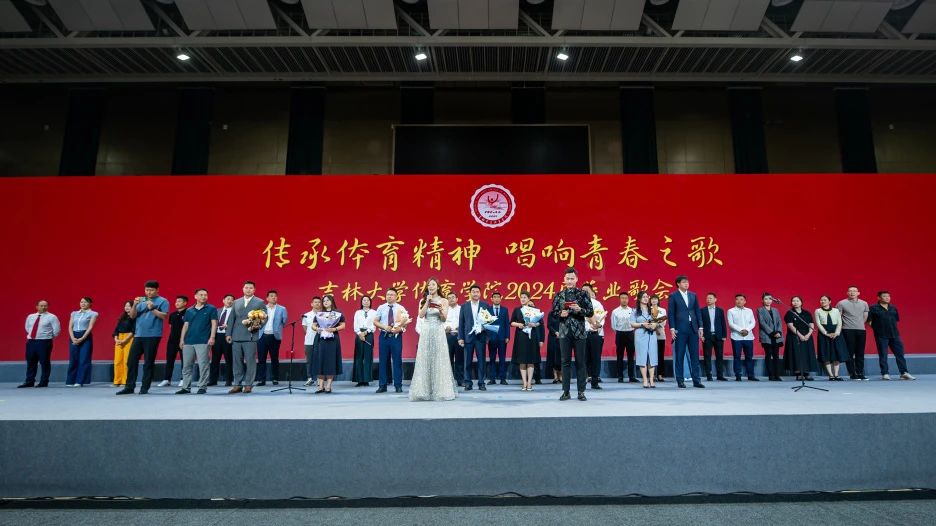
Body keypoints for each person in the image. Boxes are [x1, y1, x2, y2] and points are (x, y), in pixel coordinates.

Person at [117, 281, 170, 395]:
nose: (149, 292)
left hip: (153, 335)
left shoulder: (163, 301)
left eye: (151, 290)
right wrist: (135, 305)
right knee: (131, 361)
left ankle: (145, 387)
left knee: (148, 362)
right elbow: (132, 316)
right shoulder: (141, 300)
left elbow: (164, 316)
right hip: (138, 335)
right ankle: (129, 387)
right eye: (147, 290)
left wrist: (152, 308)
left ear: (157, 290)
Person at [410, 278, 458, 401]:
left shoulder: (444, 300)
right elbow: (421, 315)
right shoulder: (423, 300)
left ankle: (441, 390)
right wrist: (427, 301)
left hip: (438, 331)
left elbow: (443, 319)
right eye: (429, 285)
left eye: (433, 284)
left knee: (439, 359)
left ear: (438, 287)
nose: (431, 286)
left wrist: (441, 311)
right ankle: (424, 391)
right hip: (426, 331)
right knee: (425, 358)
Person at [551, 267, 593, 401]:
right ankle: (566, 392)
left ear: (576, 279)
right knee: (565, 362)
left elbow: (590, 312)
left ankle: (581, 392)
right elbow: (554, 313)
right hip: (564, 332)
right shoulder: (559, 295)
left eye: (572, 279)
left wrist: (579, 309)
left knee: (581, 362)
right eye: (567, 278)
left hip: (580, 332)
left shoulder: (583, 294)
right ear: (564, 279)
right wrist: (560, 313)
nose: (570, 281)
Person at [226, 281, 266, 394]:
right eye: (246, 287)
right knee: (237, 362)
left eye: (250, 288)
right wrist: (228, 334)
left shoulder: (259, 302)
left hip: (250, 335)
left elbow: (264, 317)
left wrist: (257, 325)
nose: (248, 290)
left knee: (250, 361)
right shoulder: (236, 302)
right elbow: (231, 319)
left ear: (254, 290)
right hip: (236, 335)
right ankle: (237, 384)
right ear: (243, 289)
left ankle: (248, 384)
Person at [177, 288, 218, 394]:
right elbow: (186, 325)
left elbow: (214, 323)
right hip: (188, 341)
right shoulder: (189, 310)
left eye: (205, 295)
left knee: (203, 365)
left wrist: (212, 337)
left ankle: (202, 386)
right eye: (201, 295)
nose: (203, 297)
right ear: (195, 296)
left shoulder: (211, 308)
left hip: (203, 341)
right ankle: (186, 387)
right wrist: (182, 339)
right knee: (186, 365)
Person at [868, 291, 915, 381]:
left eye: (888, 296)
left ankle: (904, 373)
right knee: (883, 355)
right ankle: (885, 373)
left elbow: (895, 320)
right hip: (881, 335)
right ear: (879, 298)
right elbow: (869, 321)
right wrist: (878, 329)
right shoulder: (873, 308)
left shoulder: (893, 308)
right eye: (884, 296)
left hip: (895, 335)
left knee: (900, 354)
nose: (887, 298)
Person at [667, 276, 704, 389]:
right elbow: (671, 313)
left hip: (693, 328)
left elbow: (697, 311)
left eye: (687, 282)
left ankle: (696, 380)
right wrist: (672, 328)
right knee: (680, 355)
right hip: (680, 329)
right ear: (678, 284)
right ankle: (680, 380)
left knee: (695, 355)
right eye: (684, 282)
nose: (686, 284)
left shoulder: (693, 295)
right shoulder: (673, 296)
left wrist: (700, 327)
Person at [374, 288, 410, 393]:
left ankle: (398, 385)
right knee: (383, 361)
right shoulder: (381, 307)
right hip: (384, 336)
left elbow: (405, 323)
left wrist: (400, 329)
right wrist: (384, 327)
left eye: (392, 294)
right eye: (388, 294)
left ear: (396, 296)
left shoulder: (401, 308)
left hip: (396, 337)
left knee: (397, 361)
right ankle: (382, 385)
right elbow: (375, 321)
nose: (389, 296)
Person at [19, 300, 61, 388]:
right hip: (31, 342)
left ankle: (44, 382)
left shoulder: (52, 317)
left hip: (44, 342)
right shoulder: (30, 316)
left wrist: (48, 337)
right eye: (41, 306)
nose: (43, 307)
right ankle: (29, 381)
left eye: (45, 306)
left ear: (48, 307)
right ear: (37, 306)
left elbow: (56, 330)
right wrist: (33, 336)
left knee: (44, 362)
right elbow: (27, 328)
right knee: (31, 362)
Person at [458, 284, 491, 391]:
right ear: (470, 293)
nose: (475, 294)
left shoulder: (485, 305)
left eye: (477, 292)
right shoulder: (464, 306)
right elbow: (461, 323)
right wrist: (460, 337)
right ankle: (468, 382)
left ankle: (481, 383)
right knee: (467, 361)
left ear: (480, 293)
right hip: (468, 337)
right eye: (473, 292)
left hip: (481, 337)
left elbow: (489, 321)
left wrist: (484, 330)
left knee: (481, 361)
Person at [311, 294, 346, 393]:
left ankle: (329, 385)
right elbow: (313, 325)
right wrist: (317, 329)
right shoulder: (319, 314)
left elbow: (343, 325)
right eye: (324, 301)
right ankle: (320, 386)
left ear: (332, 301)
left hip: (332, 339)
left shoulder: (338, 313)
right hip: (321, 339)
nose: (325, 302)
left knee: (331, 361)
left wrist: (334, 329)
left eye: (327, 300)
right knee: (320, 360)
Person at [510, 291, 542, 391]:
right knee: (522, 360)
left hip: (532, 336)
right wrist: (518, 324)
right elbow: (511, 322)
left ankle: (529, 383)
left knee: (531, 361)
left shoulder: (534, 309)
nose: (523, 299)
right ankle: (524, 382)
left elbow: (540, 322)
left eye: (525, 297)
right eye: (521, 297)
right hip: (521, 336)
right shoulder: (517, 310)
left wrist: (534, 324)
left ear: (529, 299)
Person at [837, 286, 870, 381]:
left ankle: (860, 373)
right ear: (847, 293)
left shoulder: (864, 303)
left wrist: (859, 324)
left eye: (854, 291)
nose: (852, 293)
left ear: (858, 293)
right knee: (850, 352)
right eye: (850, 291)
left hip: (861, 330)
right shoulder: (841, 303)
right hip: (847, 330)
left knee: (860, 352)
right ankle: (852, 373)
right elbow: (838, 317)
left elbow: (865, 317)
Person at [256, 290, 287, 386]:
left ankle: (275, 378)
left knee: (274, 358)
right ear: (267, 298)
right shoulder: (262, 309)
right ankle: (261, 379)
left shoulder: (282, 309)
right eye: (271, 296)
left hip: (274, 336)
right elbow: (257, 322)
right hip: (262, 335)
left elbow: (284, 321)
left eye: (275, 296)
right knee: (261, 358)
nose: (274, 297)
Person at [66, 297, 98, 387]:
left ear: (90, 304)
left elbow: (90, 327)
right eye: (81, 302)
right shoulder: (74, 313)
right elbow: (70, 327)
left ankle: (80, 381)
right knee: (73, 359)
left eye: (85, 302)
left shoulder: (93, 313)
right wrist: (72, 338)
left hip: (85, 335)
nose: (83, 304)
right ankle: (70, 380)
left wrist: (83, 338)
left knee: (84, 359)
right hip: (74, 335)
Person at [784, 296, 818, 381]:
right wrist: (800, 336)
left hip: (806, 336)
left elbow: (811, 324)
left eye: (797, 301)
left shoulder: (807, 313)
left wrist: (808, 334)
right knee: (797, 354)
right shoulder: (789, 313)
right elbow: (790, 326)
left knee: (806, 354)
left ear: (801, 302)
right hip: (794, 336)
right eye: (793, 301)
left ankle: (806, 373)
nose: (795, 302)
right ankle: (799, 373)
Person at [815, 295, 848, 381]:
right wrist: (826, 333)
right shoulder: (817, 311)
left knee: (836, 354)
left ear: (830, 301)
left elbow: (839, 322)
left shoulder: (836, 310)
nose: (822, 301)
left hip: (836, 335)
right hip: (824, 335)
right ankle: (831, 375)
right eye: (821, 300)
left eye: (825, 300)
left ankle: (836, 375)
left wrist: (836, 333)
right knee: (826, 354)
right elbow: (818, 324)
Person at [630, 291, 659, 388]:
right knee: (642, 357)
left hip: (651, 334)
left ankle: (651, 379)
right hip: (640, 335)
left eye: (647, 297)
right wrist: (643, 324)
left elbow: (657, 321)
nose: (646, 298)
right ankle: (645, 380)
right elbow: (632, 324)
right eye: (643, 297)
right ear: (639, 299)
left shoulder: (653, 309)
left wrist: (655, 325)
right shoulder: (635, 311)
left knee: (652, 356)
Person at [158, 296, 188, 387]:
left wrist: (183, 339)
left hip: (184, 340)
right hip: (172, 340)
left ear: (185, 303)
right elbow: (171, 326)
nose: (177, 303)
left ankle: (183, 379)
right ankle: (167, 379)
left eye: (179, 301)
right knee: (170, 360)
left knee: (185, 360)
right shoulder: (172, 314)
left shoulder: (188, 313)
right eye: (176, 301)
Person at [727, 294, 758, 382]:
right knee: (737, 357)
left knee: (749, 357)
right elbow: (731, 323)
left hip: (748, 337)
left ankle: (751, 375)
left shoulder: (749, 310)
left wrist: (747, 330)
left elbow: (753, 322)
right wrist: (741, 330)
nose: (739, 301)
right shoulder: (731, 311)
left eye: (741, 299)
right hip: (736, 337)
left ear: (745, 301)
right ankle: (738, 375)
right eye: (737, 299)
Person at [208, 294, 235, 387]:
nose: (230, 301)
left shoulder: (235, 312)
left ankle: (229, 380)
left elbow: (238, 324)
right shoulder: (217, 311)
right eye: (228, 299)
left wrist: (229, 326)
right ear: (223, 300)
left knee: (229, 359)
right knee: (215, 359)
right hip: (217, 336)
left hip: (228, 336)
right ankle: (213, 380)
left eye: (232, 300)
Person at [582, 283, 606, 390]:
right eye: (583, 290)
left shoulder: (597, 303)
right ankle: (584, 380)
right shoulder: (578, 304)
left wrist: (598, 325)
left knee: (595, 358)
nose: (585, 292)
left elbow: (601, 317)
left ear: (591, 292)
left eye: (587, 290)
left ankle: (595, 381)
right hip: (582, 334)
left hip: (595, 334)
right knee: (583, 358)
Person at [699, 292, 727, 381]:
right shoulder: (702, 310)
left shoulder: (720, 310)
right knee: (707, 356)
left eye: (710, 298)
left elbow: (723, 323)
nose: (708, 300)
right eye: (707, 298)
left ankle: (720, 375)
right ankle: (709, 375)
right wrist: (701, 335)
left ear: (715, 299)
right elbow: (700, 324)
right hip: (707, 336)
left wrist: (724, 335)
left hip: (718, 336)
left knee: (719, 356)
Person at [757, 293, 785, 381]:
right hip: (767, 336)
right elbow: (762, 323)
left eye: (770, 299)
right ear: (762, 300)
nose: (768, 301)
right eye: (766, 299)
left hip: (777, 336)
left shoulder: (775, 310)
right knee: (768, 355)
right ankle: (771, 375)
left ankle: (777, 375)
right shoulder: (760, 310)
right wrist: (772, 333)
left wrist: (778, 332)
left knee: (776, 356)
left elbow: (779, 322)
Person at [352, 295, 378, 387]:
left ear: (370, 302)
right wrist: (360, 333)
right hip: (359, 335)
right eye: (364, 300)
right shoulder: (358, 312)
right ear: (361, 302)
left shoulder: (374, 312)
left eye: (367, 300)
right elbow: (355, 325)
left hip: (369, 334)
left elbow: (374, 325)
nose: (366, 302)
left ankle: (366, 379)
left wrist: (366, 332)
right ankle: (359, 380)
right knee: (359, 357)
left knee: (368, 357)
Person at [610, 293, 637, 383]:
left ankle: (631, 376)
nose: (624, 300)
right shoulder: (615, 311)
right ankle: (620, 376)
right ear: (619, 299)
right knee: (620, 356)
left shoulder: (632, 311)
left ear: (628, 300)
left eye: (626, 298)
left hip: (630, 333)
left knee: (631, 356)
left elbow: (634, 322)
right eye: (622, 298)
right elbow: (613, 325)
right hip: (620, 334)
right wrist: (619, 331)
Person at [485, 292, 510, 385]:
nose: (496, 299)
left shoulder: (505, 310)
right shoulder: (487, 309)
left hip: (502, 338)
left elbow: (507, 324)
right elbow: (485, 324)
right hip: (491, 338)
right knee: (492, 358)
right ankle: (492, 378)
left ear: (501, 298)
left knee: (502, 358)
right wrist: (487, 337)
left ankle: (503, 378)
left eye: (498, 297)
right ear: (491, 299)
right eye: (494, 297)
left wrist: (507, 336)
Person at [112, 300, 135, 387]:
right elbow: (116, 330)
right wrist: (116, 339)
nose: (127, 307)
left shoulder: (134, 318)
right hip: (119, 338)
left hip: (128, 338)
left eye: (129, 306)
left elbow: (133, 331)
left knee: (126, 361)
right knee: (117, 361)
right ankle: (117, 381)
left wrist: (125, 340)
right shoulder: (122, 317)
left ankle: (125, 381)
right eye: (126, 306)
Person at [443, 292, 464, 387]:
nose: (451, 299)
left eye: (453, 297)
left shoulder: (462, 309)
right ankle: (449, 381)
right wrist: (445, 327)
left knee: (460, 359)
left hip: (459, 336)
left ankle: (460, 380)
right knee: (448, 359)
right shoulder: (444, 310)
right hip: (448, 335)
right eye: (449, 298)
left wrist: (461, 328)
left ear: (457, 299)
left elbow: (465, 321)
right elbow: (441, 322)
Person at [302, 297, 323, 387]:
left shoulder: (324, 315)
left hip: (321, 341)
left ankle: (319, 379)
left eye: (319, 302)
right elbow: (305, 329)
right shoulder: (306, 315)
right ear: (312, 304)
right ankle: (310, 378)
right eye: (315, 302)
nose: (317, 303)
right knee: (309, 361)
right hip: (309, 341)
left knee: (320, 360)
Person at [650, 295, 667, 383]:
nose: (654, 301)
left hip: (661, 334)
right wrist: (654, 328)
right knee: (651, 355)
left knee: (660, 355)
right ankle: (652, 375)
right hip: (650, 333)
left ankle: (660, 374)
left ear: (658, 300)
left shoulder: (662, 310)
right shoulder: (648, 310)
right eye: (652, 299)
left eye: (655, 299)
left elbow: (664, 322)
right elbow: (648, 321)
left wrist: (656, 326)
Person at [545, 310, 562, 384]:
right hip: (552, 337)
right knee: (553, 356)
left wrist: (561, 332)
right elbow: (549, 325)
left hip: (562, 336)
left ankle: (561, 375)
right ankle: (555, 376)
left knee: (561, 356)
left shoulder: (564, 312)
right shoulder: (551, 313)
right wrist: (555, 332)